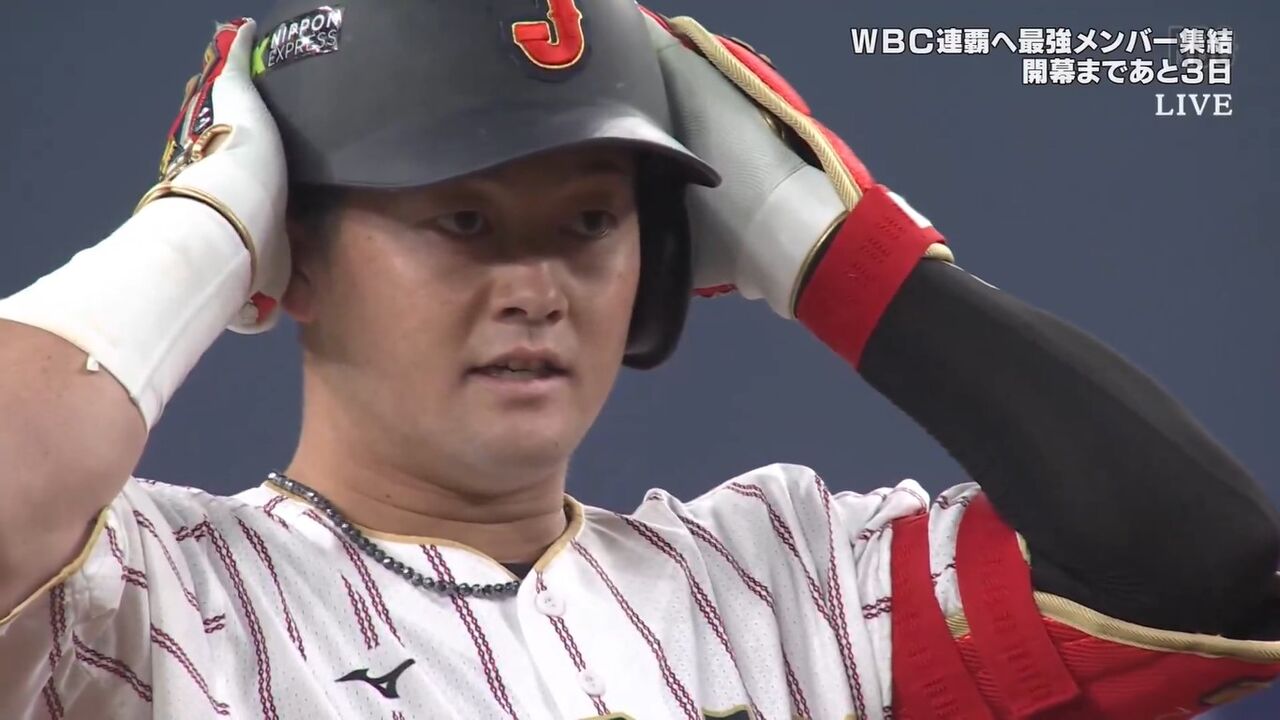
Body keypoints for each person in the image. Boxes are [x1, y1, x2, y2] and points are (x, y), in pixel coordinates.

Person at [1, 2, 1278, 718]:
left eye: (589, 223)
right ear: (296, 256)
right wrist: (203, 227)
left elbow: (1200, 574)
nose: (536, 288)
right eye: (462, 221)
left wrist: (829, 247)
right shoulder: (145, 603)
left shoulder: (788, 588)